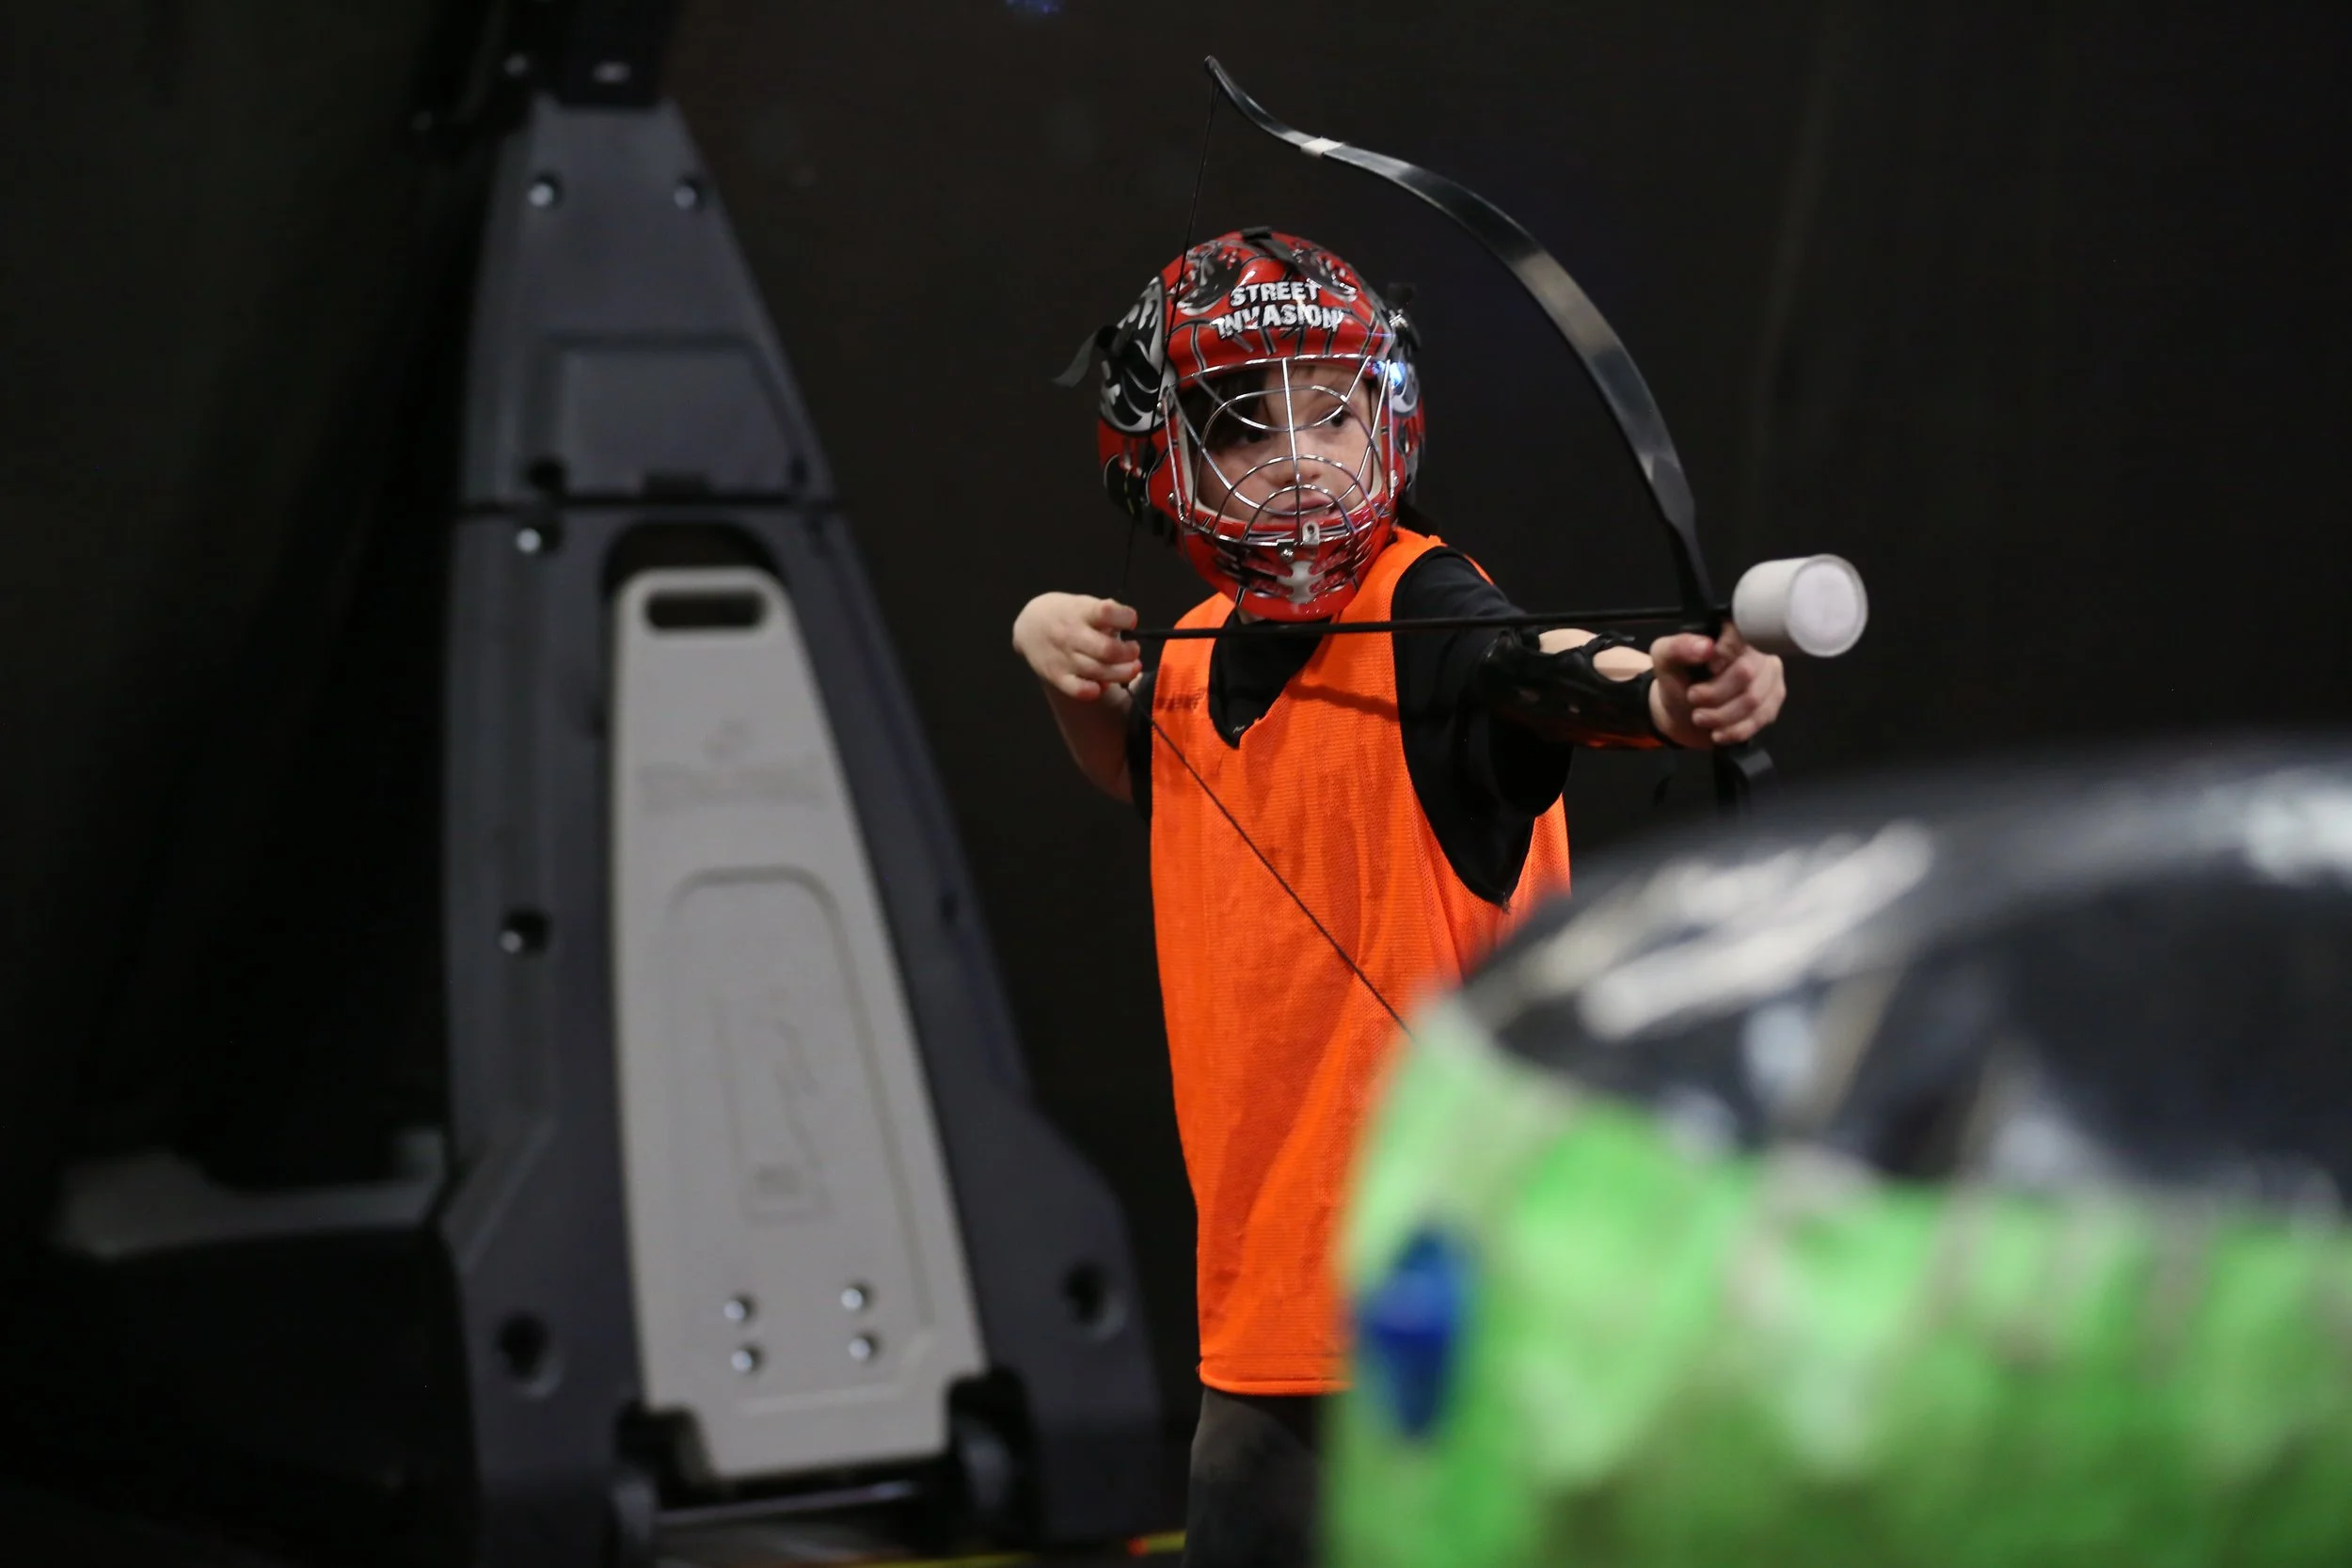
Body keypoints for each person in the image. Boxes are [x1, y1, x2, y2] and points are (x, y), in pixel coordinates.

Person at [1012, 229, 1788, 1568]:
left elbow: (1525, 666)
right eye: (1247, 428)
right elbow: (1152, 770)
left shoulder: (1427, 607)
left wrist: (1665, 694)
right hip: (1265, 1324)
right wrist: (1059, 668)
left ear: (1395, 417)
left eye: (1336, 408)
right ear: (1154, 460)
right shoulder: (1194, 654)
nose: (1305, 455)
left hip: (1453, 1334)